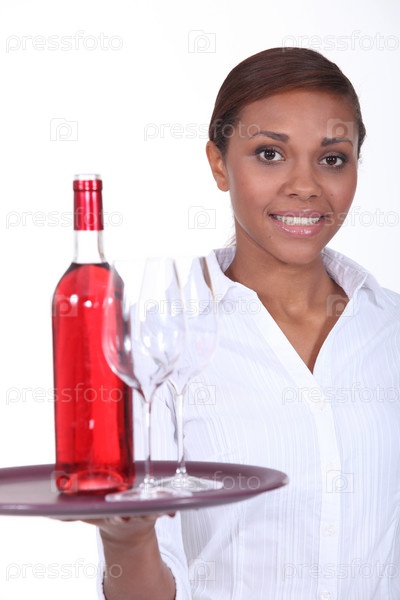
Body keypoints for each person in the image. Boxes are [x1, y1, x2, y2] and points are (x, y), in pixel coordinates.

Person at [91, 47, 400, 599]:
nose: (305, 185)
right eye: (269, 154)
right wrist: (125, 540)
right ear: (218, 164)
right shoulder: (157, 346)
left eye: (332, 158)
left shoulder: (391, 330)